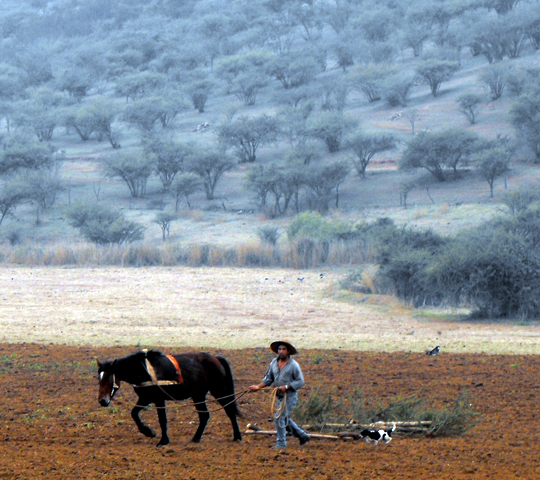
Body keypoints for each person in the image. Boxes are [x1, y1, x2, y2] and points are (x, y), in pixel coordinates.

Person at [249, 340, 310, 449]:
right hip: (278, 396)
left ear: (288, 351)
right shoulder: (273, 363)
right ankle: (302, 435)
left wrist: (286, 387)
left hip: (290, 396)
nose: (281, 351)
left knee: (279, 418)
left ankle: (281, 444)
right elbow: (268, 379)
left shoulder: (294, 365)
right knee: (284, 419)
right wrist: (258, 387)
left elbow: (300, 381)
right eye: (279, 349)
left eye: (284, 349)